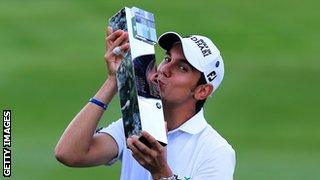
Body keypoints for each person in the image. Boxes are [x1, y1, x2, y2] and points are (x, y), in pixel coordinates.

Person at [55, 27, 236, 180]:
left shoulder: (216, 151)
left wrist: (161, 173)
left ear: (202, 90)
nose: (165, 69)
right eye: (167, 58)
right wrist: (113, 81)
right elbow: (69, 153)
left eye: (182, 68)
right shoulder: (137, 123)